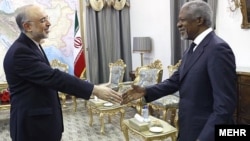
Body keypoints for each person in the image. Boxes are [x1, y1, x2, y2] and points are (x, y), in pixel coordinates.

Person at [3, 4, 122, 141]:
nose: (49, 23)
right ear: (27, 27)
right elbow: (53, 77)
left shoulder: (32, 46)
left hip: (40, 124)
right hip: (32, 128)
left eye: (47, 18)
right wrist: (94, 90)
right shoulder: (20, 52)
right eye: (42, 20)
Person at [121, 1, 237, 141]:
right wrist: (146, 91)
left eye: (182, 20)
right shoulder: (191, 48)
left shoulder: (218, 49)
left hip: (206, 131)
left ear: (199, 20)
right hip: (188, 127)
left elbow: (224, 105)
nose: (178, 24)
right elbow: (175, 80)